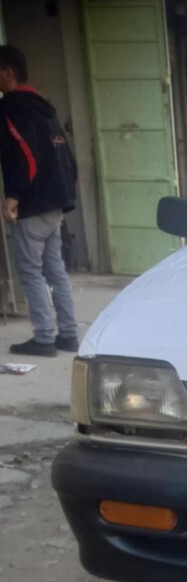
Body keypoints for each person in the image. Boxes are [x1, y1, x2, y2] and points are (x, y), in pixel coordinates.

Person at [0, 45, 79, 357]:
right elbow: (68, 158)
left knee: (31, 271)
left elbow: (23, 153)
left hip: (34, 204)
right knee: (55, 269)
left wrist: (13, 196)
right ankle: (69, 334)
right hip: (56, 203)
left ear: (8, 72)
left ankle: (44, 338)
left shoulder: (12, 107)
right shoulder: (45, 107)